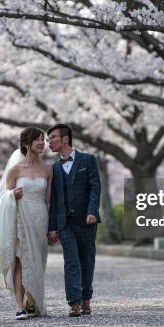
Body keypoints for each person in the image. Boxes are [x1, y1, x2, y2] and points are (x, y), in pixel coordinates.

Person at [0, 128, 52, 320]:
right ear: (26, 144)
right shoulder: (15, 170)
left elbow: (48, 201)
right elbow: (3, 199)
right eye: (37, 139)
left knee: (37, 260)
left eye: (43, 139)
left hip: (40, 218)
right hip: (19, 218)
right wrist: (12, 195)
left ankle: (31, 302)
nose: (42, 143)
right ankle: (19, 305)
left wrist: (51, 227)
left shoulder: (48, 169)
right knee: (20, 261)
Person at [47, 123, 101, 317]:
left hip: (87, 221)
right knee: (71, 261)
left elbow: (95, 188)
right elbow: (52, 200)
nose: (49, 142)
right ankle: (74, 302)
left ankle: (86, 298)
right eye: (48, 139)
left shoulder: (88, 160)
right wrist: (52, 227)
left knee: (87, 260)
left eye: (52, 137)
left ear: (65, 139)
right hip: (65, 224)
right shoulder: (53, 168)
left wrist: (92, 211)